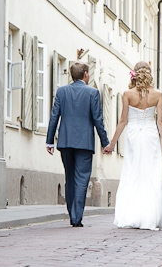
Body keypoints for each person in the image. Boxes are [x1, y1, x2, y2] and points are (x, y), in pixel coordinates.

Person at [103, 61, 162, 231]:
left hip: (133, 135)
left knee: (132, 173)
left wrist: (112, 144)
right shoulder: (158, 94)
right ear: (149, 74)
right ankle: (151, 216)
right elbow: (160, 123)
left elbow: (123, 121)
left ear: (134, 74)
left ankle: (131, 215)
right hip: (150, 135)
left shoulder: (127, 94)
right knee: (151, 174)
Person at [46, 61, 110, 228]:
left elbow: (54, 117)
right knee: (82, 178)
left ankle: (71, 212)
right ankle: (76, 217)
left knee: (70, 177)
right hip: (84, 143)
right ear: (86, 74)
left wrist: (49, 141)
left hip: (65, 141)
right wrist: (105, 142)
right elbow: (98, 120)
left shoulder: (62, 91)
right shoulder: (93, 93)